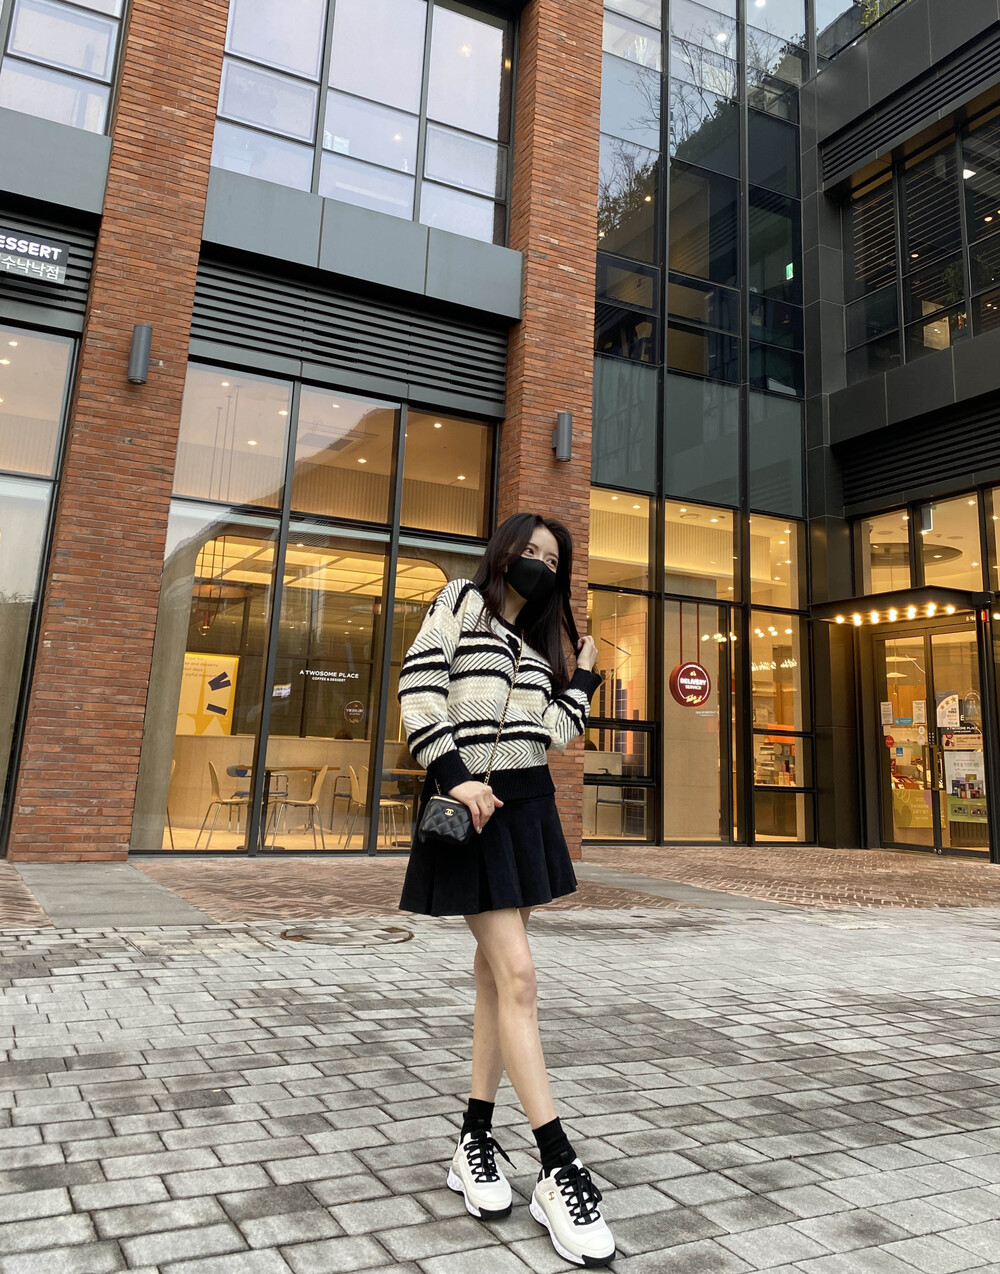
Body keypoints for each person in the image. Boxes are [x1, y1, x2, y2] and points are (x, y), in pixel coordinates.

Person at [397, 513, 615, 1269]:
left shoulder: (535, 642)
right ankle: (557, 1165)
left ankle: (475, 1140)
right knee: (519, 976)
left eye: (553, 559)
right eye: (530, 551)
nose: (539, 565)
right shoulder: (461, 602)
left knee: (497, 979)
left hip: (526, 807)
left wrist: (582, 679)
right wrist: (455, 778)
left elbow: (551, 732)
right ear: (503, 552)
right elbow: (419, 688)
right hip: (474, 805)